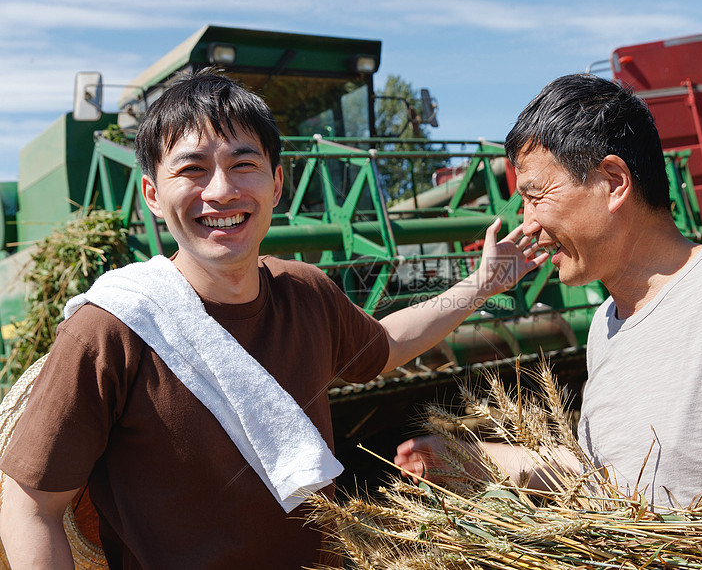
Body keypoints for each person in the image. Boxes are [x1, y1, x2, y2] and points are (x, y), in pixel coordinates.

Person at [0, 71, 547, 569]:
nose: (221, 190)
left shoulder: (304, 291)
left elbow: (385, 344)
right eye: (191, 169)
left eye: (244, 164)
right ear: (151, 193)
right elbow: (30, 505)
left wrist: (483, 286)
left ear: (276, 183)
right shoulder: (114, 328)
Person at [395, 73, 702, 569]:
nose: (527, 224)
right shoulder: (606, 324)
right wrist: (475, 459)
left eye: (535, 196)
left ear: (613, 182)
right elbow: (619, 475)